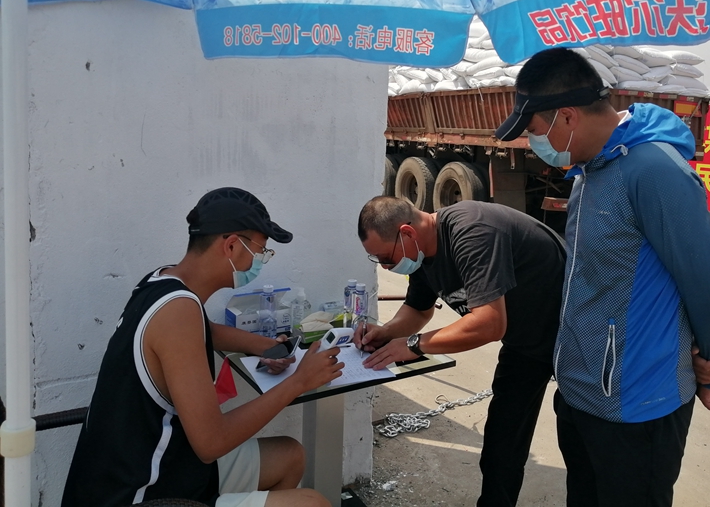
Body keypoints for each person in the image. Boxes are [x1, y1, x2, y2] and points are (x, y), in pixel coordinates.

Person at [494, 47, 710, 507]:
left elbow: (707, 282)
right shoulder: (590, 171)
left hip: (637, 406)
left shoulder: (654, 171)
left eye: (534, 130)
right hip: (583, 396)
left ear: (567, 116)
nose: (533, 143)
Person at [62, 187, 344, 507]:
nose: (261, 261)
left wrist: (265, 346)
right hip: (142, 494)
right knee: (313, 502)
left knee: (290, 456)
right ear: (232, 246)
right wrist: (299, 382)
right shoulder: (178, 312)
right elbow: (211, 443)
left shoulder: (163, 282)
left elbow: (205, 330)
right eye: (262, 251)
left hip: (169, 463)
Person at [356, 196, 566, 507]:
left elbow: (489, 324)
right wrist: (385, 333)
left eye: (386, 257)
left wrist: (414, 345)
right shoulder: (421, 252)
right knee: (502, 442)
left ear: (407, 233)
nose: (386, 266)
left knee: (583, 441)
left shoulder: (473, 231)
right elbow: (418, 309)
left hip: (574, 334)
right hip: (526, 342)